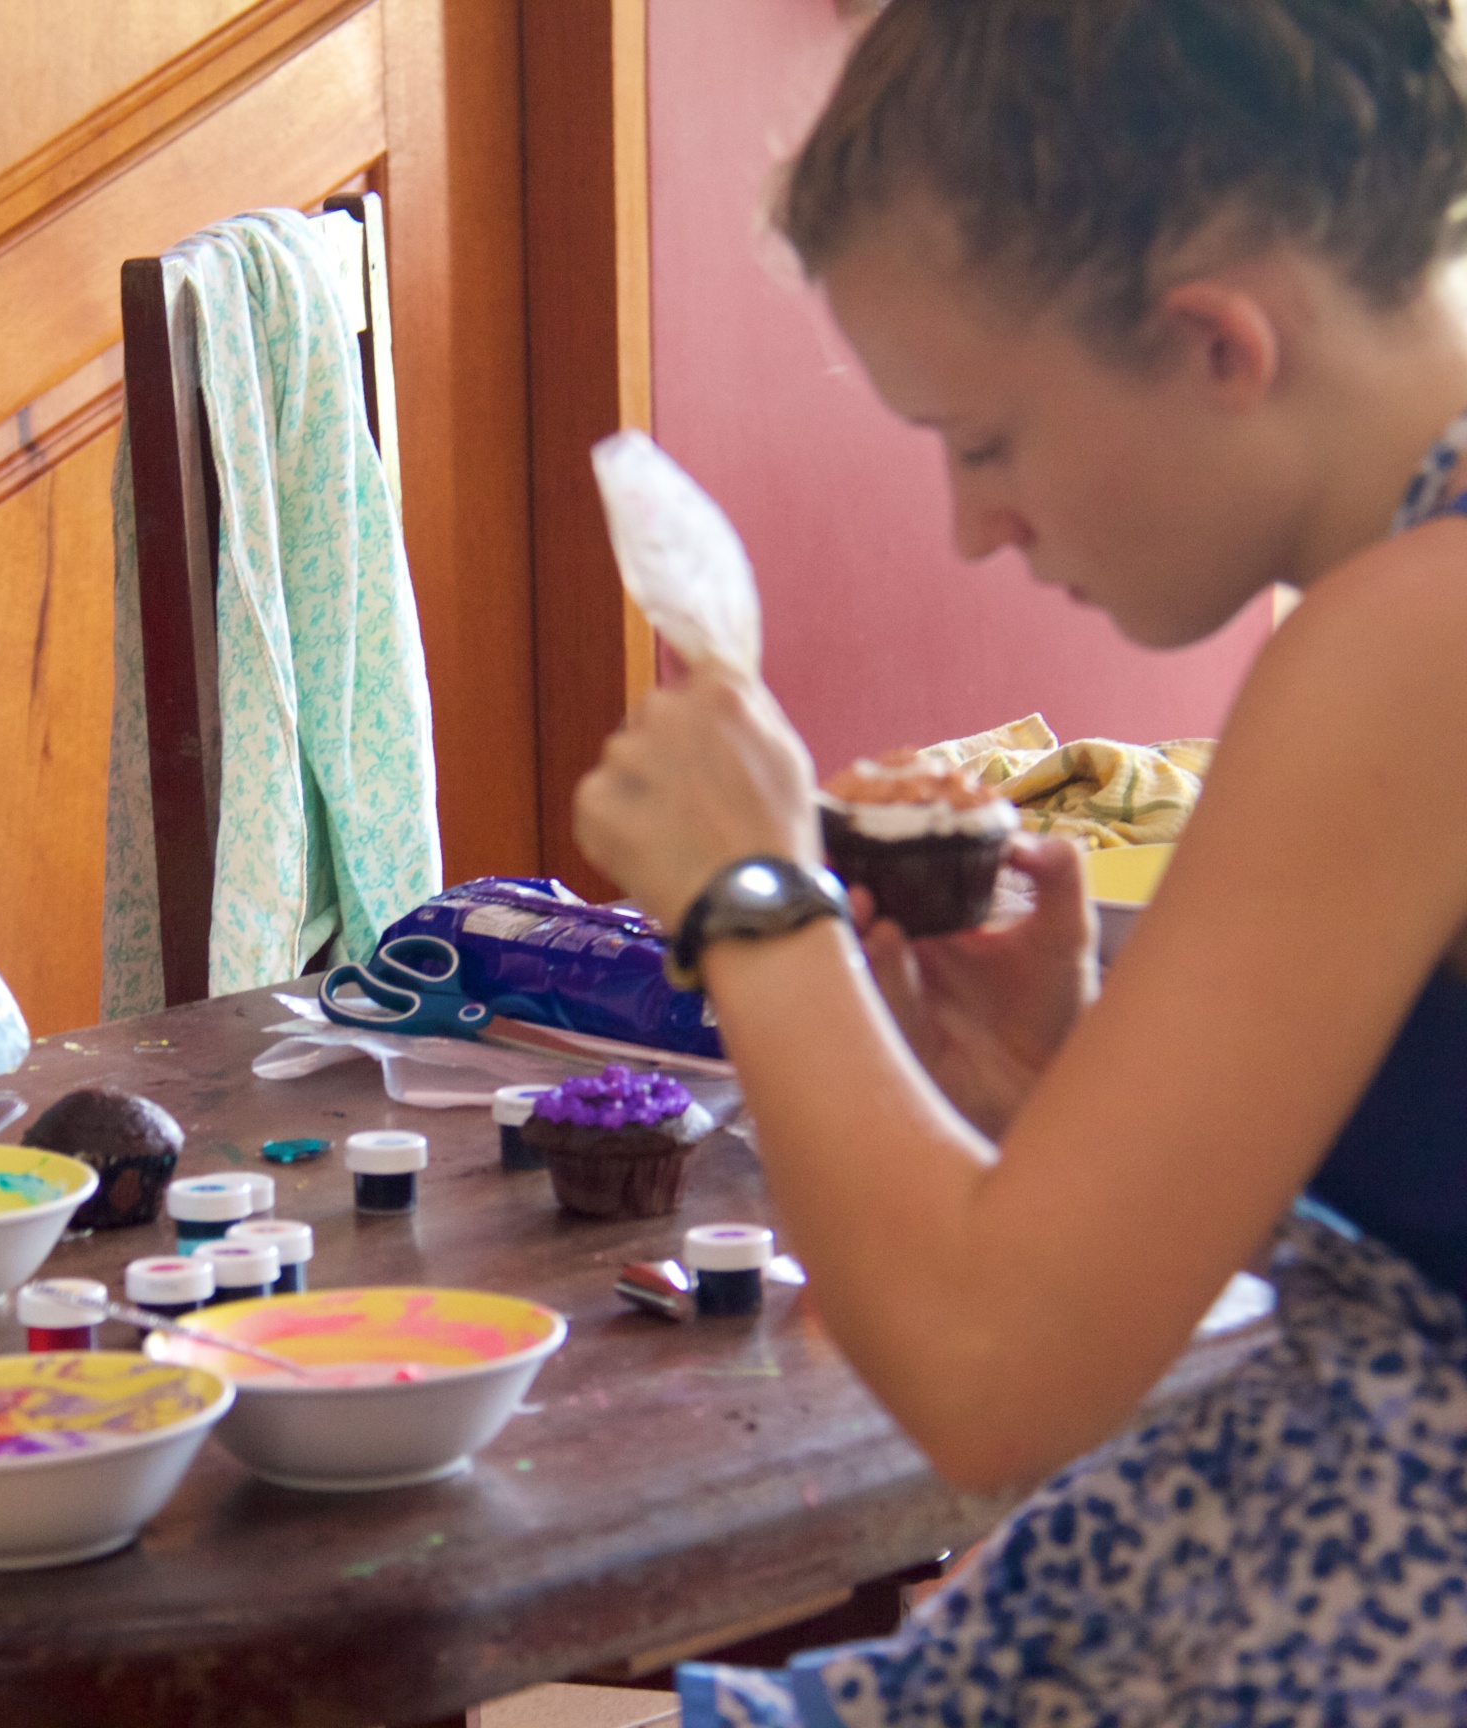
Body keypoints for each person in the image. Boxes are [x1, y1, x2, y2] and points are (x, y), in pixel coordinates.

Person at [573, 1, 1467, 1721]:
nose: (975, 526)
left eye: (984, 441)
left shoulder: (1412, 642)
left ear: (1215, 344)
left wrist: (756, 903)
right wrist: (1083, 1094)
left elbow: (992, 1382)